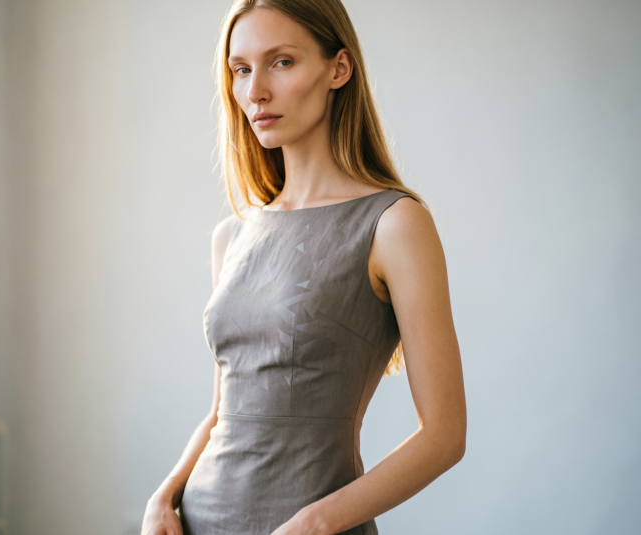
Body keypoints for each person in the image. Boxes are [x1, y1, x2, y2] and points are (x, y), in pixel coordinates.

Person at [141, 0, 466, 533]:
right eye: (240, 69)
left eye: (282, 62)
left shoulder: (394, 224)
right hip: (198, 521)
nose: (255, 91)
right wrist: (164, 494)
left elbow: (445, 436)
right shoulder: (233, 236)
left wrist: (316, 523)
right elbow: (227, 411)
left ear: (339, 68)